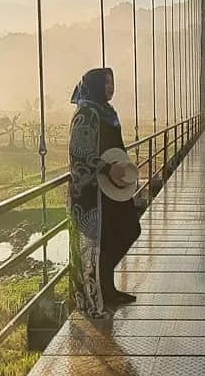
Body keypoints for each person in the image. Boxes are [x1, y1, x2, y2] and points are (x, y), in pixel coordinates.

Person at [67, 67, 142, 318]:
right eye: (106, 82)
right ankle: (99, 294)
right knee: (98, 242)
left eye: (113, 81)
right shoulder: (85, 113)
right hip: (91, 195)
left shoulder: (108, 111)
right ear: (96, 85)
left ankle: (107, 289)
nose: (111, 87)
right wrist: (106, 167)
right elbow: (78, 157)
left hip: (112, 189)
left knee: (127, 229)